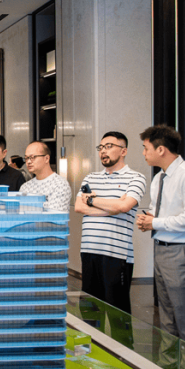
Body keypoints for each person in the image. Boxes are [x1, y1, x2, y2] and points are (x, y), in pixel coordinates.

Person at [75, 131, 146, 314]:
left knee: (118, 313)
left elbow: (125, 205)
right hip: (89, 250)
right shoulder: (90, 178)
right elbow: (78, 206)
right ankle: (91, 335)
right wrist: (112, 208)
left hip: (117, 254)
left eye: (109, 146)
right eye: (100, 147)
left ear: (123, 151)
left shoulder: (136, 178)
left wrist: (92, 200)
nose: (103, 151)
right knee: (90, 311)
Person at [136, 125, 185, 345]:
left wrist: (155, 222)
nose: (143, 153)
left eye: (146, 148)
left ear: (161, 149)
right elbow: (157, 210)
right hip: (160, 249)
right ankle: (168, 364)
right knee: (166, 315)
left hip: (180, 252)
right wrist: (148, 220)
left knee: (184, 315)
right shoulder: (159, 178)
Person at [19, 142, 71, 212]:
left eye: (32, 157)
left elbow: (54, 215)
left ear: (46, 158)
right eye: (26, 158)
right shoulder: (25, 187)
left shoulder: (60, 184)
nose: (28, 161)